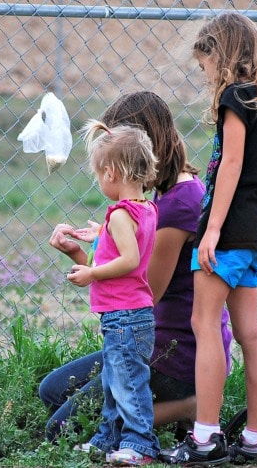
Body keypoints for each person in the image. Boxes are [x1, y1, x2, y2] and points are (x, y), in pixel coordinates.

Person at [40, 91, 236, 453]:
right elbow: (128, 276)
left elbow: (144, 290)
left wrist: (96, 262)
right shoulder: (154, 197)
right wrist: (85, 252)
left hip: (172, 355)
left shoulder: (178, 204)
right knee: (51, 390)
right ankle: (139, 413)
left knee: (61, 430)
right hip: (142, 338)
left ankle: (189, 406)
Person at [158, 12, 257, 466]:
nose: (205, 74)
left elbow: (230, 165)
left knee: (205, 324)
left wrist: (211, 230)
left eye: (204, 65)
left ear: (222, 54)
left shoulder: (236, 98)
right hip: (255, 235)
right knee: (251, 333)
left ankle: (204, 437)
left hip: (226, 232)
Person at [63, 118, 161, 466]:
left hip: (124, 315)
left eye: (98, 174)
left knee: (129, 384)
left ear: (111, 173)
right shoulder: (146, 209)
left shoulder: (120, 214)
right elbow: (128, 242)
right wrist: (101, 233)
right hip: (132, 314)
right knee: (114, 382)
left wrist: (91, 273)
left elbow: (130, 259)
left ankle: (141, 445)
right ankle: (108, 439)